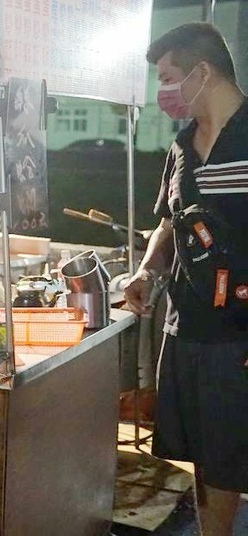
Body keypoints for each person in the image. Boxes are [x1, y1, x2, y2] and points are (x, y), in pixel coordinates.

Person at [125, 22, 248, 536]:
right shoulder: (182, 147)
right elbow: (169, 224)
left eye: (168, 76)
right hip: (186, 327)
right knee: (204, 455)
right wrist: (146, 268)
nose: (164, 91)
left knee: (231, 455)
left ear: (202, 72)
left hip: (238, 334)